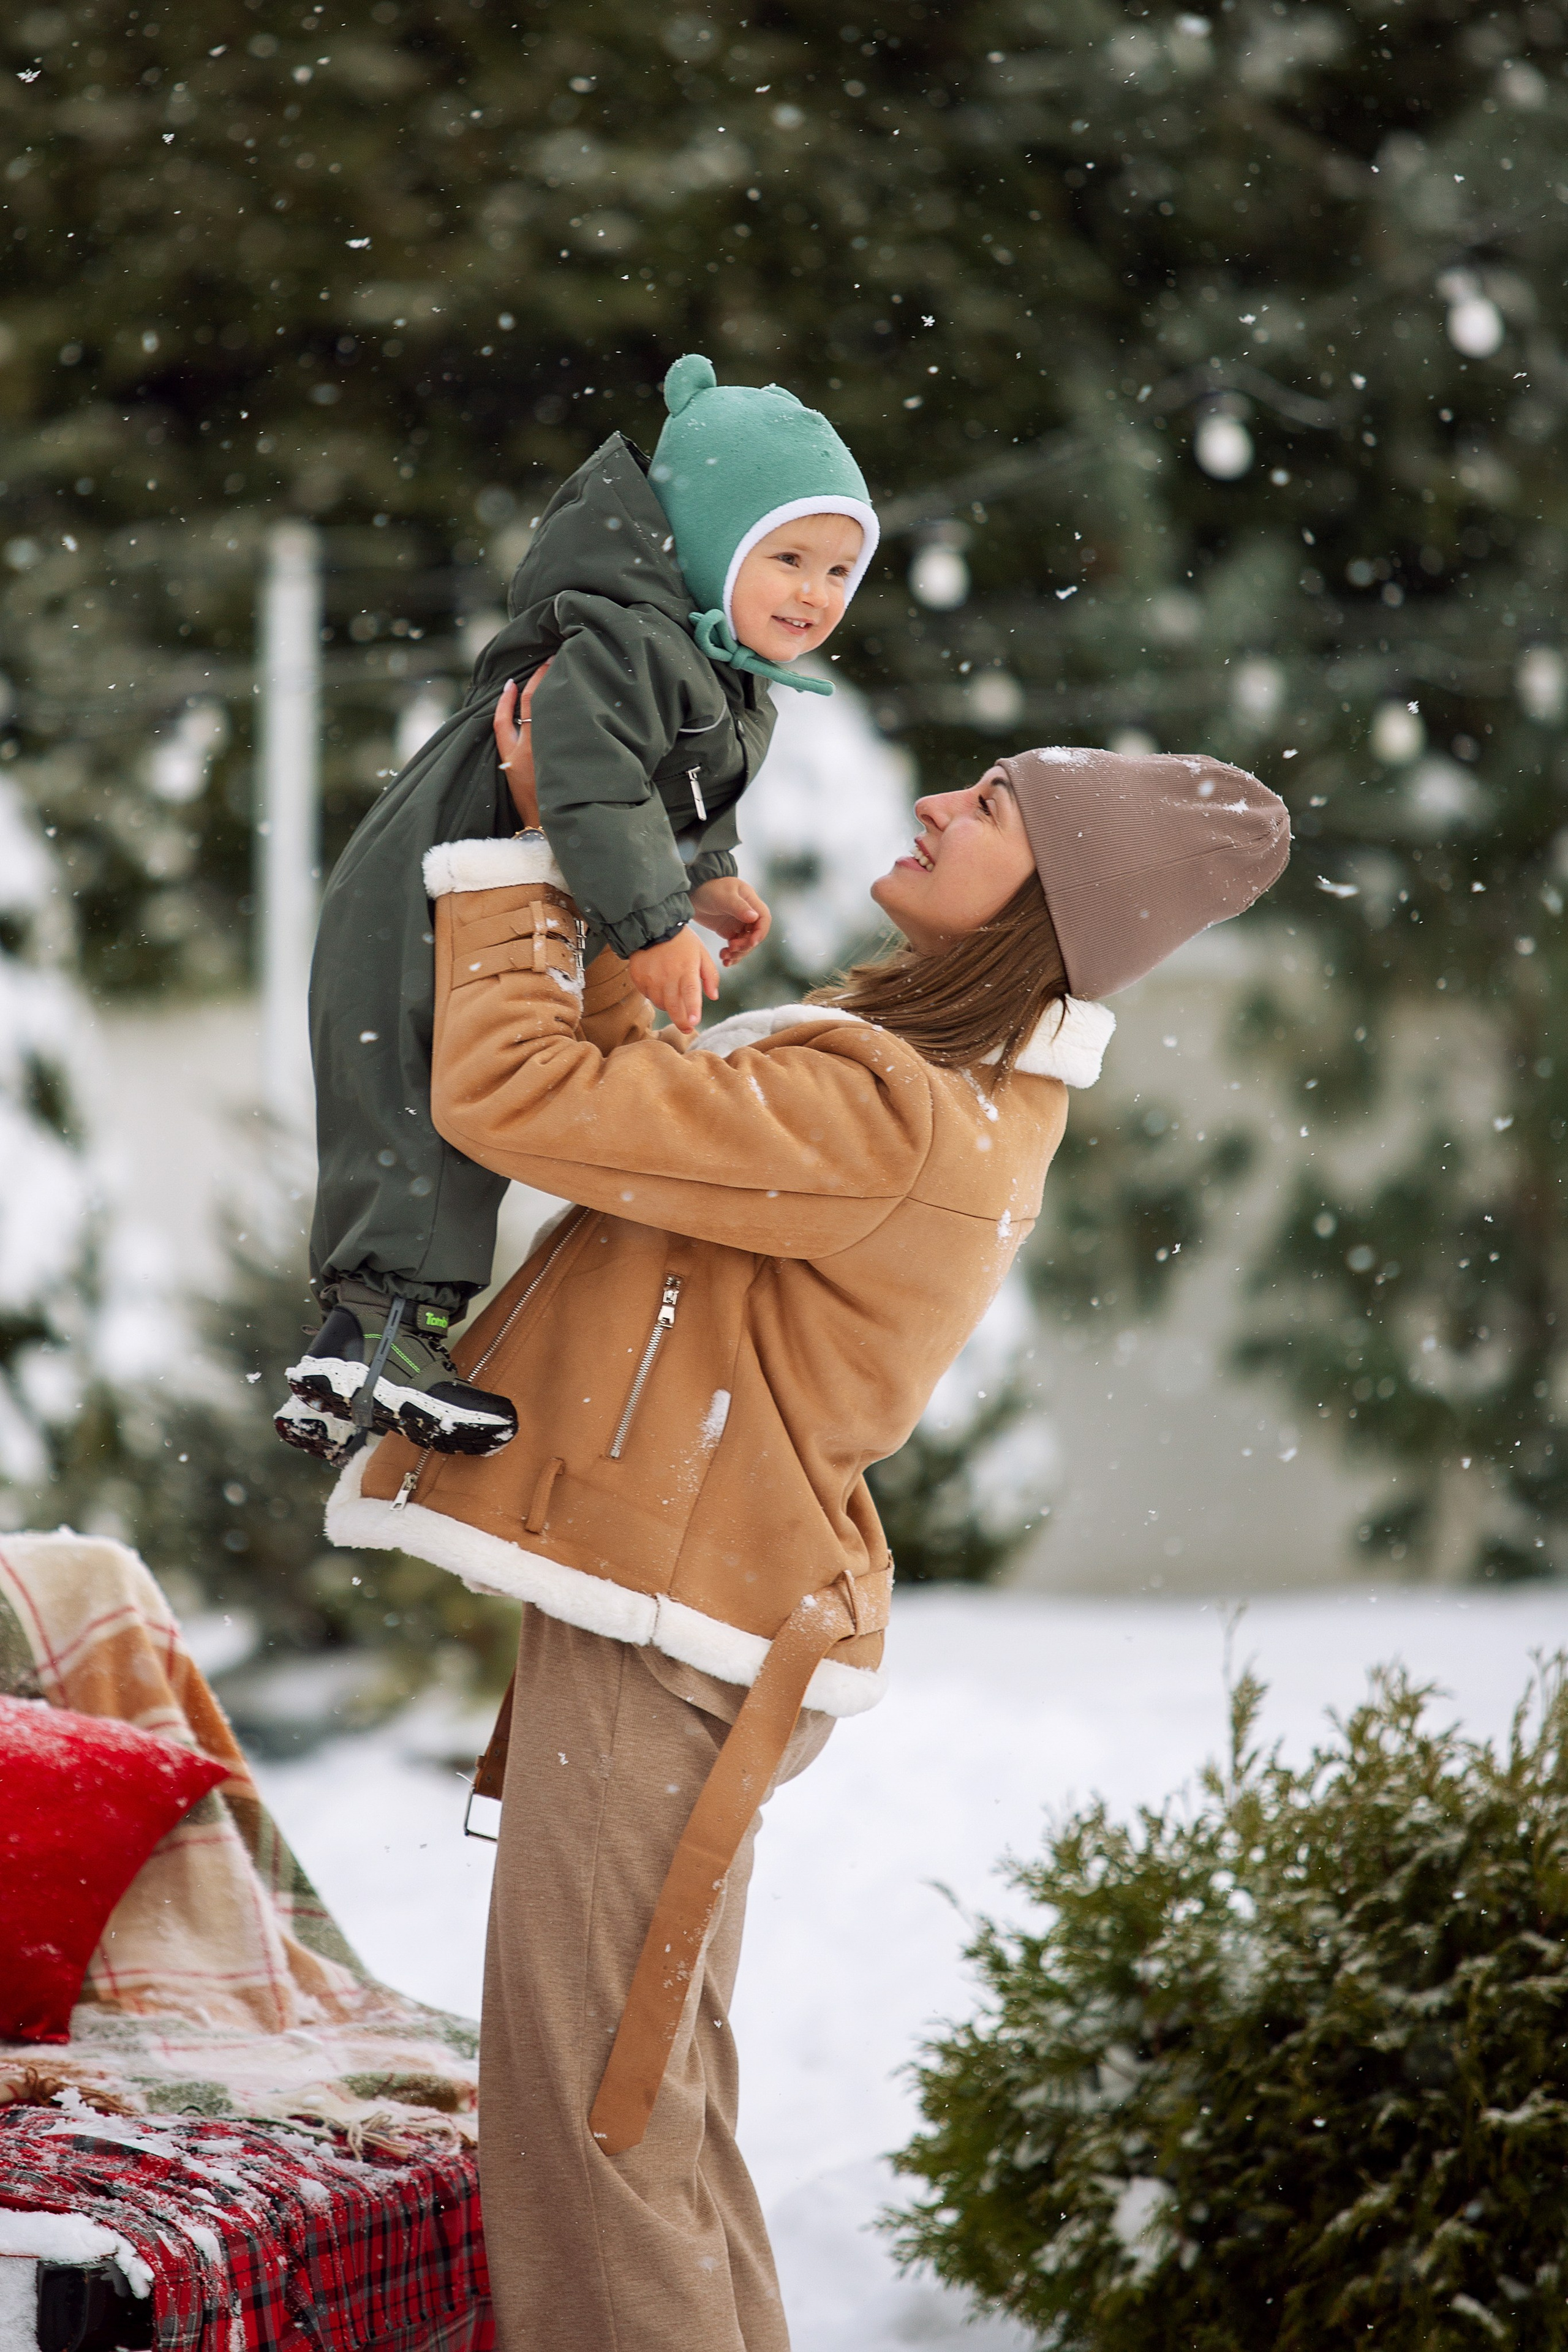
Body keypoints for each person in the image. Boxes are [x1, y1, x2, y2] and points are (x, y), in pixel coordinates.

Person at [323, 687, 1289, 2352]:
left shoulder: (898, 1115)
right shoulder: (928, 1086)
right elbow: (641, 1137)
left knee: (596, 2131)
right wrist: (650, 928)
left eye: (990, 809)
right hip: (696, 1611)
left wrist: (534, 846)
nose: (935, 806)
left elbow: (514, 1099)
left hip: (677, 1633)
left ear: (1046, 898)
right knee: (650, 2110)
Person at [276, 353, 878, 1466]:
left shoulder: (712, 665)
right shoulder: (636, 639)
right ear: (706, 543)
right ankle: (383, 1337)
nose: (815, 591)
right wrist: (652, 927)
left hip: (484, 869)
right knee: (422, 1095)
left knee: (433, 1090)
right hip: (437, 867)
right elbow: (591, 777)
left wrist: (703, 872)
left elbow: (655, 788)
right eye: (786, 557)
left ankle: (362, 1341)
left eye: (841, 569)